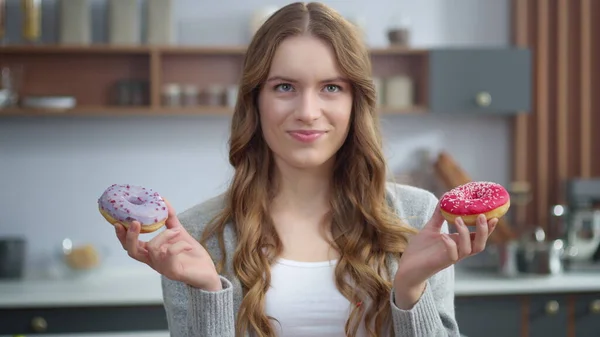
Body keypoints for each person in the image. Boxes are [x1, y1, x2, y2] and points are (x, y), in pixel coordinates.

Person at [113, 2, 498, 336]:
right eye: (284, 87)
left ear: (355, 102)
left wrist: (411, 290)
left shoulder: (417, 217)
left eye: (331, 87)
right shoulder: (197, 236)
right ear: (255, 100)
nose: (308, 112)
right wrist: (210, 292)